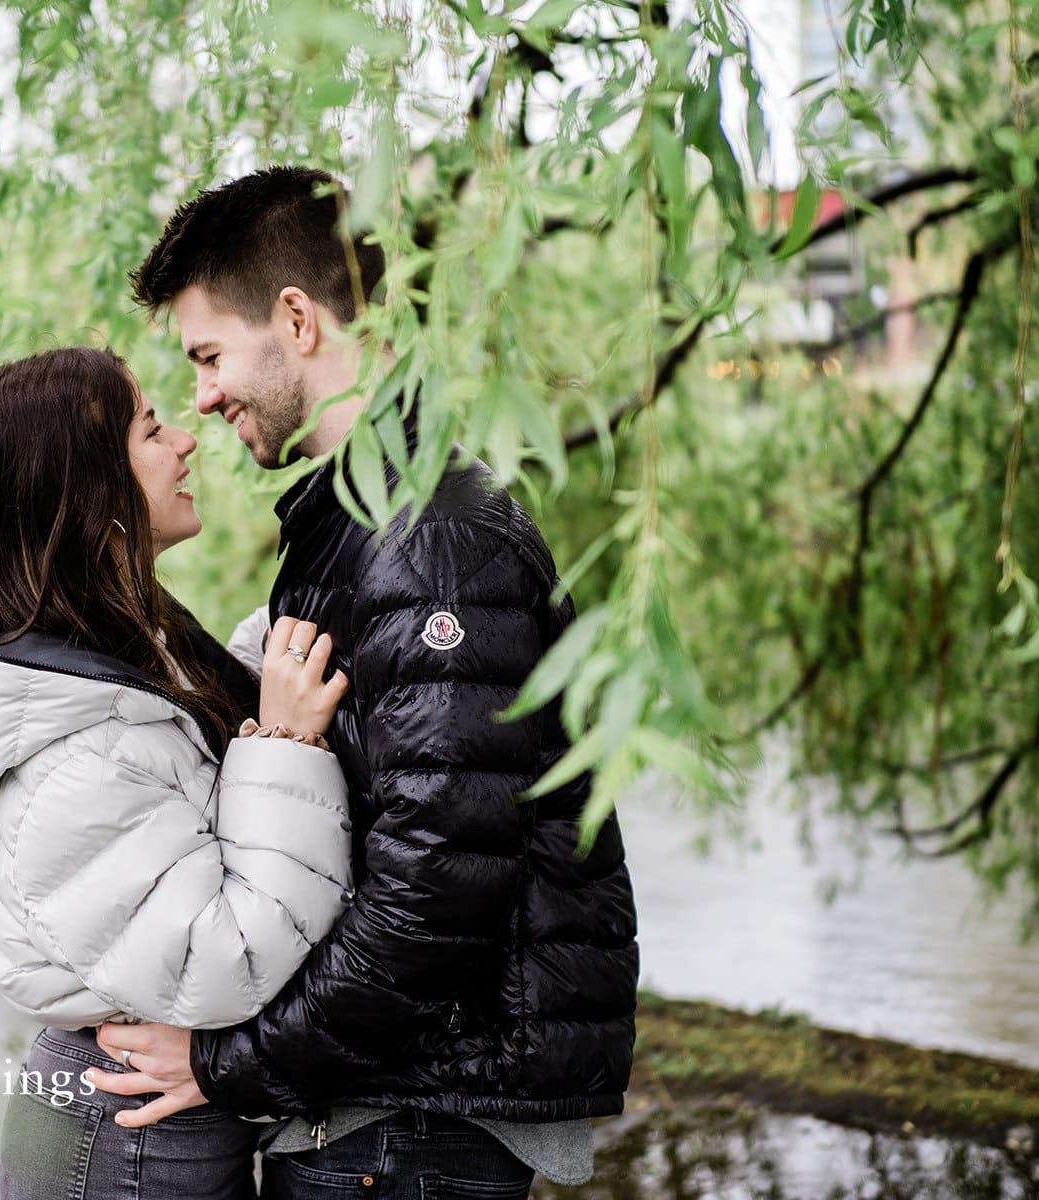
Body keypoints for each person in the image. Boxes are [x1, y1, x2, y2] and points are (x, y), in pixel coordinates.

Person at [83, 167, 640, 1195]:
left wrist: (225, 1064)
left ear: (295, 319)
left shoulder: (428, 543)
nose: (202, 398)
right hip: (385, 1110)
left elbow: (436, 893)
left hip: (411, 1123)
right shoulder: (364, 524)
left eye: (208, 355)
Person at [0, 346, 356, 1199]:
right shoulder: (73, 755)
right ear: (85, 491)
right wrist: (286, 743)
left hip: (149, 1131)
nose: (186, 442)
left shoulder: (119, 659)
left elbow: (204, 734)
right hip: (125, 1147)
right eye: (151, 428)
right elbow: (227, 960)